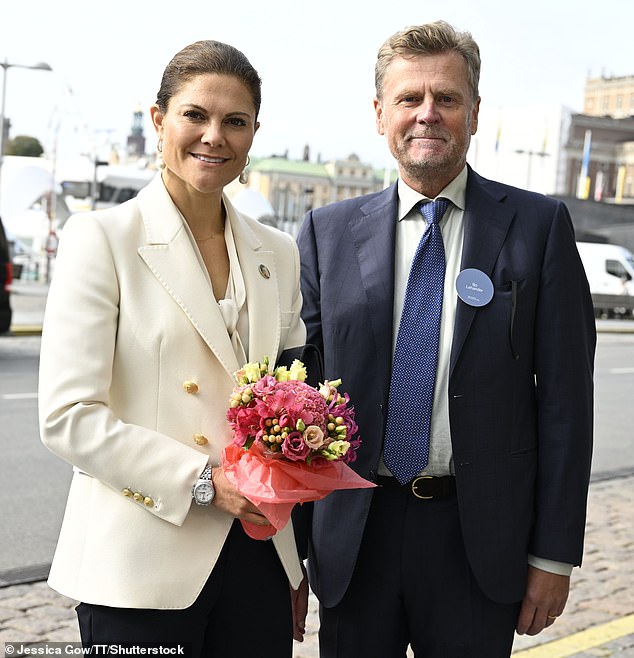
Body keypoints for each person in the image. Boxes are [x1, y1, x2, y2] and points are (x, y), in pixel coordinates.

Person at [297, 20, 595, 658]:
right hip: (355, 536)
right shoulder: (325, 233)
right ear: (380, 115)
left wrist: (553, 553)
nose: (427, 115)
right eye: (409, 99)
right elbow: (299, 397)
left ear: (475, 113)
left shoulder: (539, 227)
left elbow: (567, 403)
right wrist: (292, 553)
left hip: (478, 540)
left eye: (447, 98)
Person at [39, 40, 308, 657]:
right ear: (159, 120)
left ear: (253, 135)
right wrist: (205, 483)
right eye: (195, 115)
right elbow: (67, 418)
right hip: (139, 564)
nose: (214, 136)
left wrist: (296, 565)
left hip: (259, 558)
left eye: (235, 122)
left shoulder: (279, 253)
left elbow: (295, 407)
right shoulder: (101, 238)